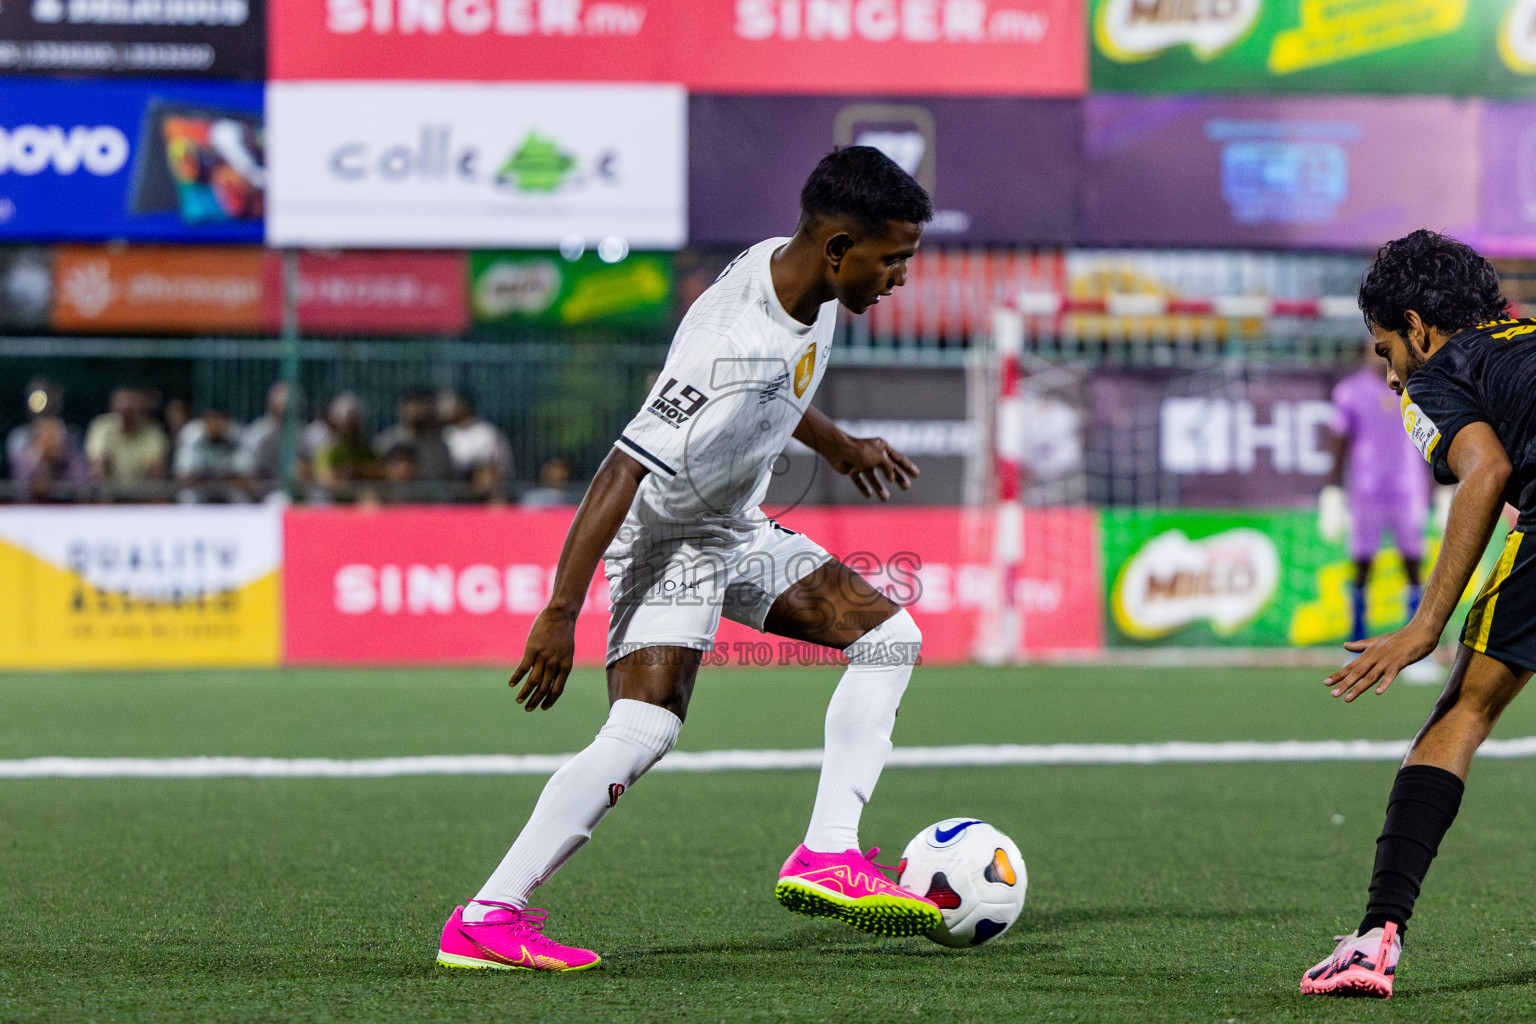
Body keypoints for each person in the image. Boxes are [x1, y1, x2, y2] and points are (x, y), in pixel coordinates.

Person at [437, 147, 934, 972]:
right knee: (643, 727)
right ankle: (488, 917)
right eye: (894, 260)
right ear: (841, 247)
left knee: (889, 639)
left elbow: (776, 386)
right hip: (668, 541)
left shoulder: (800, 270)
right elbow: (621, 468)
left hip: (733, 525)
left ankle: (828, 854)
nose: (900, 278)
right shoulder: (727, 339)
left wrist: (836, 443)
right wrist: (560, 612)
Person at [1301, 230, 1536, 999]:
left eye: (1384, 347)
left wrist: (1425, 625)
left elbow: (1488, 470)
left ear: (1418, 326)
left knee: (1463, 709)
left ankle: (1374, 938)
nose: (1389, 369)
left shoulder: (1438, 372)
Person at [1320, 338, 1441, 683]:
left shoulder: (1414, 388)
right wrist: (1332, 490)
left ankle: (1417, 650)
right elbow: (1340, 443)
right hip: (1367, 490)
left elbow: (1430, 440)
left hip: (1408, 489)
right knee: (1361, 567)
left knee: (1414, 567)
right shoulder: (1349, 392)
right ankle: (1355, 646)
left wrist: (1439, 489)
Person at [84, 388, 169, 498]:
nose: (125, 410)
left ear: (139, 407)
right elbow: (97, 466)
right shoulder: (101, 427)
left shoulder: (152, 431)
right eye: (121, 406)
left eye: (130, 408)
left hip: (143, 495)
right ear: (112, 406)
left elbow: (155, 470)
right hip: (109, 495)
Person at [375, 391, 455, 497]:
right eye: (409, 408)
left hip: (429, 501)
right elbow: (378, 472)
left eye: (417, 408)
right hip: (394, 500)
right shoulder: (388, 440)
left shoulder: (438, 446)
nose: (414, 412)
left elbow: (442, 477)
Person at [439, 390, 512, 503]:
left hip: (483, 493)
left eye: (453, 403)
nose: (447, 408)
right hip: (452, 491)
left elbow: (498, 466)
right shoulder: (446, 433)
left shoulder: (486, 433)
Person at [174, 407, 245, 503]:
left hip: (227, 487)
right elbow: (184, 476)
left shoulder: (236, 435)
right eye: (212, 420)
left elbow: (246, 478)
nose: (216, 425)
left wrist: (217, 476)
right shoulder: (191, 435)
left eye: (220, 420)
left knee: (241, 496)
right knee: (187, 496)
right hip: (200, 487)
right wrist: (215, 474)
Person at [10, 415, 88, 502]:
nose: (49, 443)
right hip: (29, 509)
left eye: (53, 437)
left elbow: (82, 484)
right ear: (37, 438)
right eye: (45, 437)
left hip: (65, 510)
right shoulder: (25, 457)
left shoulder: (71, 458)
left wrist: (59, 463)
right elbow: (18, 485)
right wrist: (39, 463)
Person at [236, 381, 290, 488]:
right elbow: (247, 467)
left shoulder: (300, 430)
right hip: (261, 487)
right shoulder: (257, 432)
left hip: (292, 487)